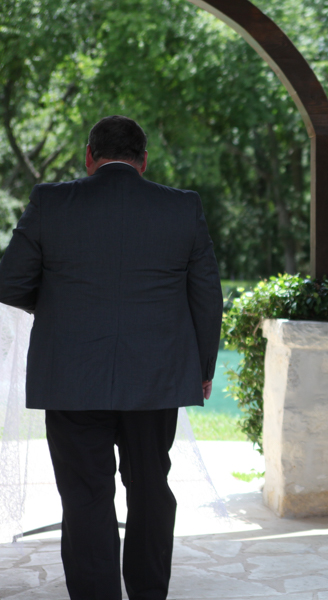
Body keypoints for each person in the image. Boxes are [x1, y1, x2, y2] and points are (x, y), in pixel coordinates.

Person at [0, 115, 223, 600]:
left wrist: (61, 307)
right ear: (144, 161)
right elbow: (207, 296)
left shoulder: (50, 201)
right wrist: (202, 369)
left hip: (72, 377)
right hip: (156, 378)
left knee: (85, 496)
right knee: (150, 490)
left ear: (89, 157)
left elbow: (9, 281)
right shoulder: (182, 207)